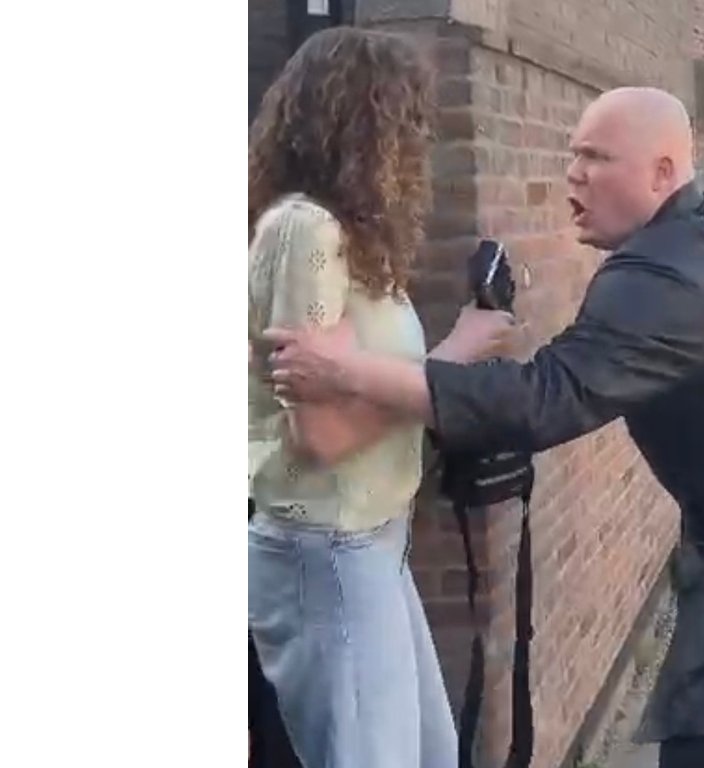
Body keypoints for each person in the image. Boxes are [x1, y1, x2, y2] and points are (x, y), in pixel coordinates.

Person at [264, 87, 704, 768]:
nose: (572, 174)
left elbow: (543, 401)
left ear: (662, 173)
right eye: (573, 154)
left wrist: (347, 372)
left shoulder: (670, 277)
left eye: (596, 158)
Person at [246, 27, 512, 768]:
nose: (418, 140)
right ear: (361, 125)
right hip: (329, 547)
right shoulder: (305, 233)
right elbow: (321, 436)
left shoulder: (348, 239)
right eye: (406, 119)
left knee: (432, 754)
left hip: (371, 541)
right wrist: (453, 355)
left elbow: (346, 391)